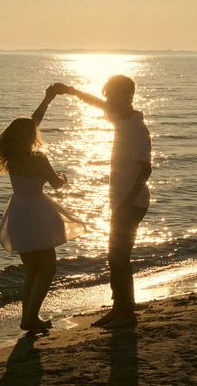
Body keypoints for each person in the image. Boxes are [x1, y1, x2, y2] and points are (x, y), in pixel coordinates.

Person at [0, 86, 85, 333]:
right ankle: (31, 317)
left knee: (31, 271)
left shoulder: (11, 154)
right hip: (38, 213)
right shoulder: (38, 158)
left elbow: (32, 122)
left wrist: (47, 99)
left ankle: (28, 318)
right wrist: (64, 176)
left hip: (18, 212)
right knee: (47, 268)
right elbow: (56, 184)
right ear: (30, 135)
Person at [53, 75, 152, 328]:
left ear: (126, 96)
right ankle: (120, 309)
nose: (107, 101)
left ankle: (124, 313)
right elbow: (97, 103)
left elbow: (146, 170)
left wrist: (126, 203)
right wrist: (72, 91)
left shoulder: (137, 128)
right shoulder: (121, 118)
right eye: (107, 95)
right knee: (116, 257)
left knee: (119, 257)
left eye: (111, 96)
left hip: (131, 203)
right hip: (122, 202)